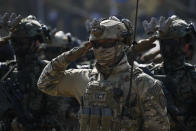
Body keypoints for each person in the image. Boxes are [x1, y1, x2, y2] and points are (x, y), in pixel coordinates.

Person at [38, 16, 170, 131]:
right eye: (96, 44)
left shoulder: (143, 83)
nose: (101, 49)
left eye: (108, 43)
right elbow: (45, 84)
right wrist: (66, 58)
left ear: (123, 44)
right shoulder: (83, 77)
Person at [0, 13, 68, 131]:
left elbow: (59, 115)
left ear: (36, 43)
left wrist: (30, 124)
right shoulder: (6, 70)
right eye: (14, 41)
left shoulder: (48, 71)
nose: (17, 46)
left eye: (23, 42)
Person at [143, 15, 196, 131]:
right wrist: (133, 51)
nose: (167, 48)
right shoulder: (148, 73)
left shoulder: (192, 76)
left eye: (172, 43)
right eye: (164, 43)